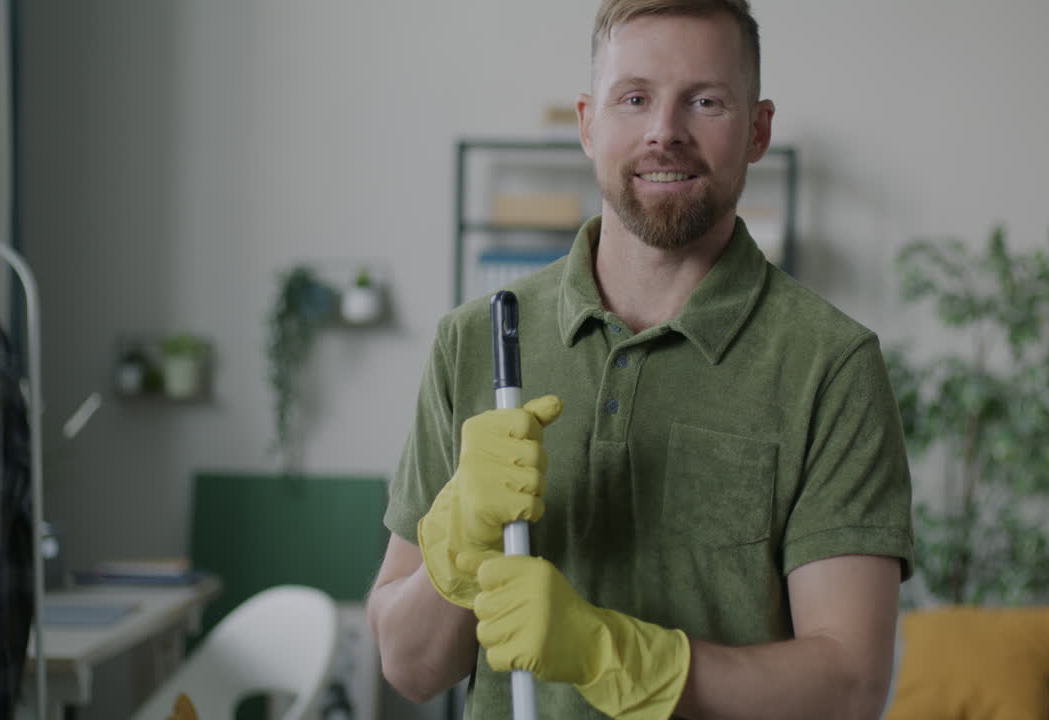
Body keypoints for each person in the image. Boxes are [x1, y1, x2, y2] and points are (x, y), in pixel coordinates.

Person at [367, 1, 914, 718]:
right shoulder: (477, 341)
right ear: (589, 125)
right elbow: (409, 667)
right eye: (635, 98)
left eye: (706, 101)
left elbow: (849, 688)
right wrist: (459, 543)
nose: (664, 132)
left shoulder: (831, 366)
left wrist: (611, 653)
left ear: (757, 130)